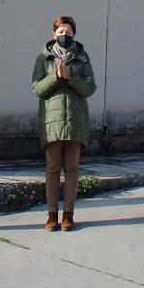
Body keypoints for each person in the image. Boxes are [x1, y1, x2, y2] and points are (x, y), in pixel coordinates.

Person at [31, 14, 96, 231]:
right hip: (52, 120)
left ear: (74, 34)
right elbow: (36, 88)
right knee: (52, 168)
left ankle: (68, 214)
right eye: (61, 32)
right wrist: (56, 78)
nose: (64, 36)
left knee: (72, 168)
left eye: (68, 32)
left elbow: (89, 88)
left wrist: (70, 77)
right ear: (54, 34)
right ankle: (51, 215)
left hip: (76, 120)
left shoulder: (82, 56)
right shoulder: (43, 58)